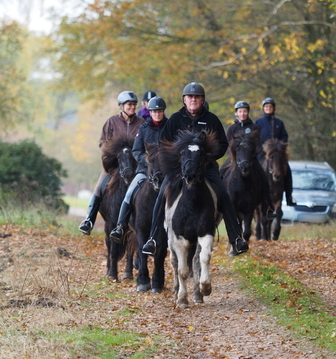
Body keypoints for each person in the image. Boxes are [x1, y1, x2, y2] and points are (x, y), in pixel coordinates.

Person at [141, 82, 249, 257]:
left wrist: (207, 156)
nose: (193, 100)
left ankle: (236, 237)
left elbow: (222, 144)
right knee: (162, 194)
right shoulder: (175, 119)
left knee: (223, 193)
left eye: (197, 97)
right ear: (184, 100)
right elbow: (163, 144)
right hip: (179, 169)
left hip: (206, 168)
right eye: (190, 97)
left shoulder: (212, 119)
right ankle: (152, 239)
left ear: (202, 100)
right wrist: (177, 160)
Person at [79, 90, 145, 235]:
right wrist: (112, 153)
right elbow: (102, 142)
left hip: (135, 165)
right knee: (99, 188)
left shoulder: (141, 123)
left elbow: (145, 143)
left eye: (134, 105)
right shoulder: (112, 121)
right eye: (129, 105)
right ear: (121, 106)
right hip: (114, 165)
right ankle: (89, 220)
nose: (132, 107)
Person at [109, 96, 168, 243]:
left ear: (163, 112)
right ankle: (120, 226)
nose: (157, 114)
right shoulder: (144, 128)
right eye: (154, 112)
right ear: (150, 112)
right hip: (145, 170)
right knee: (129, 194)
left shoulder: (170, 127)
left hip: (166, 171)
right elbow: (136, 151)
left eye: (160, 111)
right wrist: (148, 163)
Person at [224, 100, 276, 220]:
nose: (242, 113)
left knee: (263, 178)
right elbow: (226, 145)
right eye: (240, 111)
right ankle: (219, 205)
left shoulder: (254, 127)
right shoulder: (232, 128)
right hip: (234, 159)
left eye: (245, 111)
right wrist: (234, 155)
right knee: (220, 174)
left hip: (250, 160)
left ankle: (268, 207)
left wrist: (251, 155)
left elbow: (258, 145)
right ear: (236, 113)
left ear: (248, 113)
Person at [255, 97, 297, 206]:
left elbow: (284, 136)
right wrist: (263, 146)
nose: (268, 108)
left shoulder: (279, 123)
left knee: (287, 170)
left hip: (277, 154)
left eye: (270, 106)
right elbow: (255, 137)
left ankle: (289, 196)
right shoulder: (258, 122)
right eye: (266, 106)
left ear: (274, 108)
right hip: (263, 154)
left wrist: (279, 145)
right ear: (263, 108)